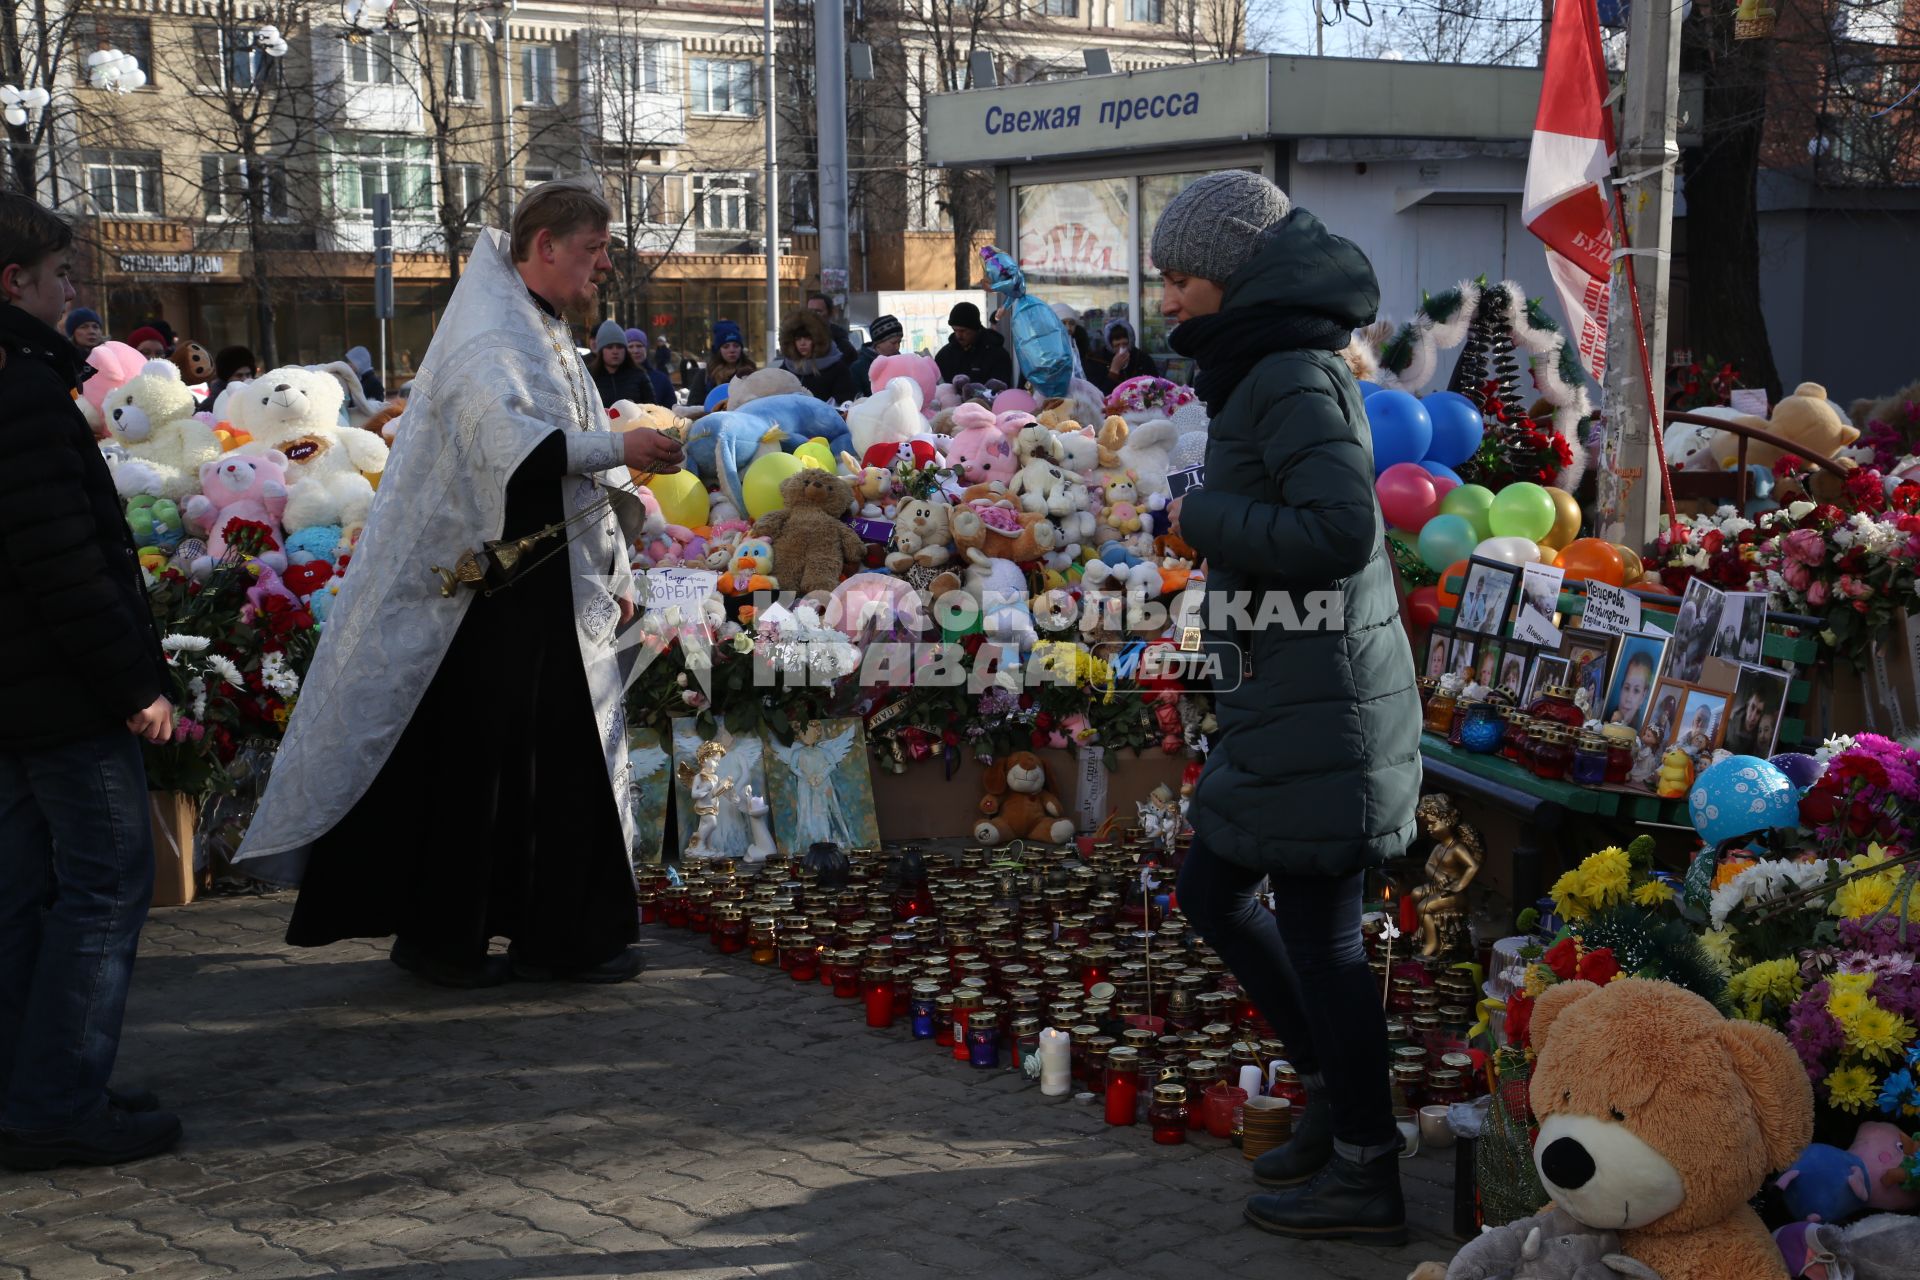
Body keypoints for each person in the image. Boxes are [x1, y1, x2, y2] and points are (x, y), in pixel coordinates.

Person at [234, 182, 685, 988]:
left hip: (537, 584)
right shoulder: (489, 331)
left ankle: (558, 935)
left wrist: (616, 519)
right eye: (593, 250)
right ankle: (453, 939)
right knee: (481, 769)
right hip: (484, 595)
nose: (604, 265)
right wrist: (623, 446)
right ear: (544, 245)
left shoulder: (534, 323)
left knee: (547, 764)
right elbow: (512, 449)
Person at [1157, 171, 1419, 1244]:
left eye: (1178, 278)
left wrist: (1198, 514)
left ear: (1230, 275)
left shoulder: (1289, 372)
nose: (1165, 299)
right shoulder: (1266, 366)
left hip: (1326, 705)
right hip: (1298, 693)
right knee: (1219, 894)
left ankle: (1366, 1164)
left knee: (1320, 938)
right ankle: (1332, 1105)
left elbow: (1340, 528)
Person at [0, 192, 181, 1170]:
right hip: (59, 691)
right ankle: (58, 1098)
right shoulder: (22, 392)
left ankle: (30, 1086)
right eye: (60, 276)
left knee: (23, 889)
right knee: (106, 885)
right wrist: (133, 685)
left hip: (18, 692)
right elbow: (62, 562)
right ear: (12, 284)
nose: (73, 293)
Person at [777, 308, 855, 403]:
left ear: (817, 339)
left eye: (807, 338)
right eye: (798, 339)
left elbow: (845, 401)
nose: (802, 343)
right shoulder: (786, 368)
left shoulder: (836, 368)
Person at [935, 301, 1012, 386]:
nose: (958, 335)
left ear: (975, 328)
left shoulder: (997, 355)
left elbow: (1000, 390)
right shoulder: (944, 355)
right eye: (955, 330)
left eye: (963, 331)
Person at [686, 319, 756, 404]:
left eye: (736, 346)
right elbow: (693, 406)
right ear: (718, 350)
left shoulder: (751, 372)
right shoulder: (705, 376)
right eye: (726, 346)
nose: (732, 350)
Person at [588, 318, 654, 406]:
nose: (615, 351)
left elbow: (652, 409)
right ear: (601, 351)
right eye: (610, 347)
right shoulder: (589, 376)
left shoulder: (639, 376)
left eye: (619, 347)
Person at [1095, 321, 1158, 392]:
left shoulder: (1142, 358)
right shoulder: (1099, 360)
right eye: (1117, 345)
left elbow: (1155, 386)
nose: (1121, 349)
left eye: (1125, 344)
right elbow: (1100, 394)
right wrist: (1114, 370)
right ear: (1110, 346)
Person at [848, 313, 902, 396]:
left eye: (899, 342)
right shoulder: (859, 367)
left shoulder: (901, 361)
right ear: (878, 343)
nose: (897, 347)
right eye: (893, 343)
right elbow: (856, 399)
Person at [625, 328, 674, 406]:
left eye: (639, 346)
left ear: (646, 348)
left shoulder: (661, 379)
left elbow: (671, 411)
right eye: (630, 346)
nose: (636, 351)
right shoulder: (618, 378)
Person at [807, 292, 858, 364]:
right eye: (809, 311)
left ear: (829, 313)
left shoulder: (840, 342)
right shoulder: (798, 337)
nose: (812, 315)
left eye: (818, 311)